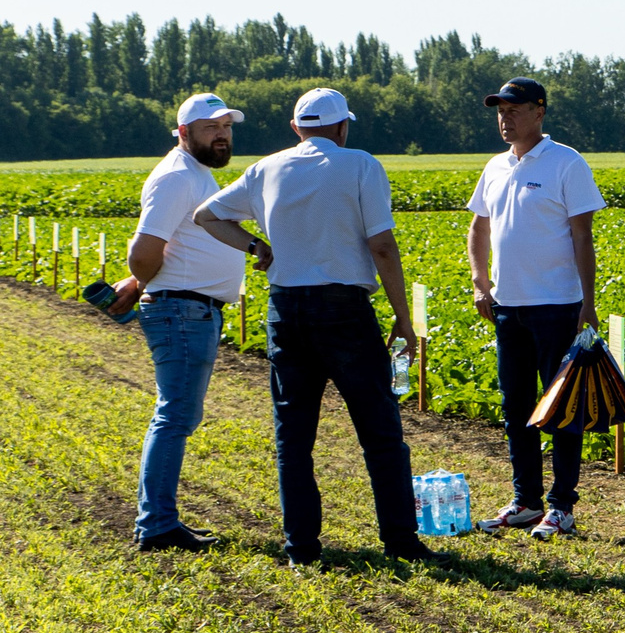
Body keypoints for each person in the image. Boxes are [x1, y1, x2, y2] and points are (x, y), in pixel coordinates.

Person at [194, 86, 438, 566]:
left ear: (296, 128)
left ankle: (300, 547)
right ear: (343, 126)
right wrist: (403, 319)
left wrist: (254, 247)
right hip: (344, 311)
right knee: (380, 431)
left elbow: (207, 216)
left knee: (295, 437)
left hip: (285, 312)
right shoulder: (361, 164)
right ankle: (401, 541)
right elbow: (383, 246)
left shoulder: (265, 168)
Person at [467, 77, 605, 541]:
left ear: (539, 113)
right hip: (508, 308)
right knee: (516, 406)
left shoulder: (566, 162)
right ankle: (525, 501)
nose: (505, 119)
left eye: (515, 110)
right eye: (500, 111)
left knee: (561, 408)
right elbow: (478, 229)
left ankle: (561, 506)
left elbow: (582, 236)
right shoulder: (495, 166)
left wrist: (588, 303)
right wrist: (480, 282)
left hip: (557, 306)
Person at [118, 92, 252, 552]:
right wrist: (142, 279)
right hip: (182, 310)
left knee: (177, 415)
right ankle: (155, 524)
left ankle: (157, 519)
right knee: (174, 416)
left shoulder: (195, 175)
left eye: (227, 127)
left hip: (189, 308)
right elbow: (144, 251)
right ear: (183, 133)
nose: (221, 135)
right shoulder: (177, 177)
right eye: (210, 127)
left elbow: (170, 246)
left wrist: (138, 284)